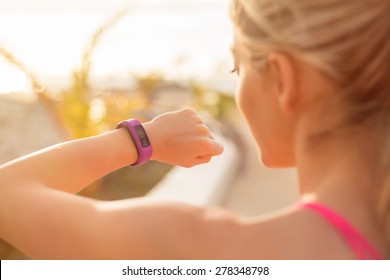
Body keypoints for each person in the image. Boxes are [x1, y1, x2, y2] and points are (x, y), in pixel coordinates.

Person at [0, 0, 389, 259]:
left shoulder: (200, 248)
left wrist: (142, 139)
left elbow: (6, 192)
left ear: (285, 81)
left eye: (237, 70)